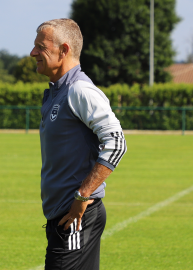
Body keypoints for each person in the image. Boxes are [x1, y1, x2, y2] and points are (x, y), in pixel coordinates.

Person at [30, 18, 127, 270]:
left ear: (64, 50)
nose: (33, 53)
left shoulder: (79, 90)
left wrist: (81, 196)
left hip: (75, 216)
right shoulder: (56, 92)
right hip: (63, 216)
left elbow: (116, 142)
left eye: (41, 47)